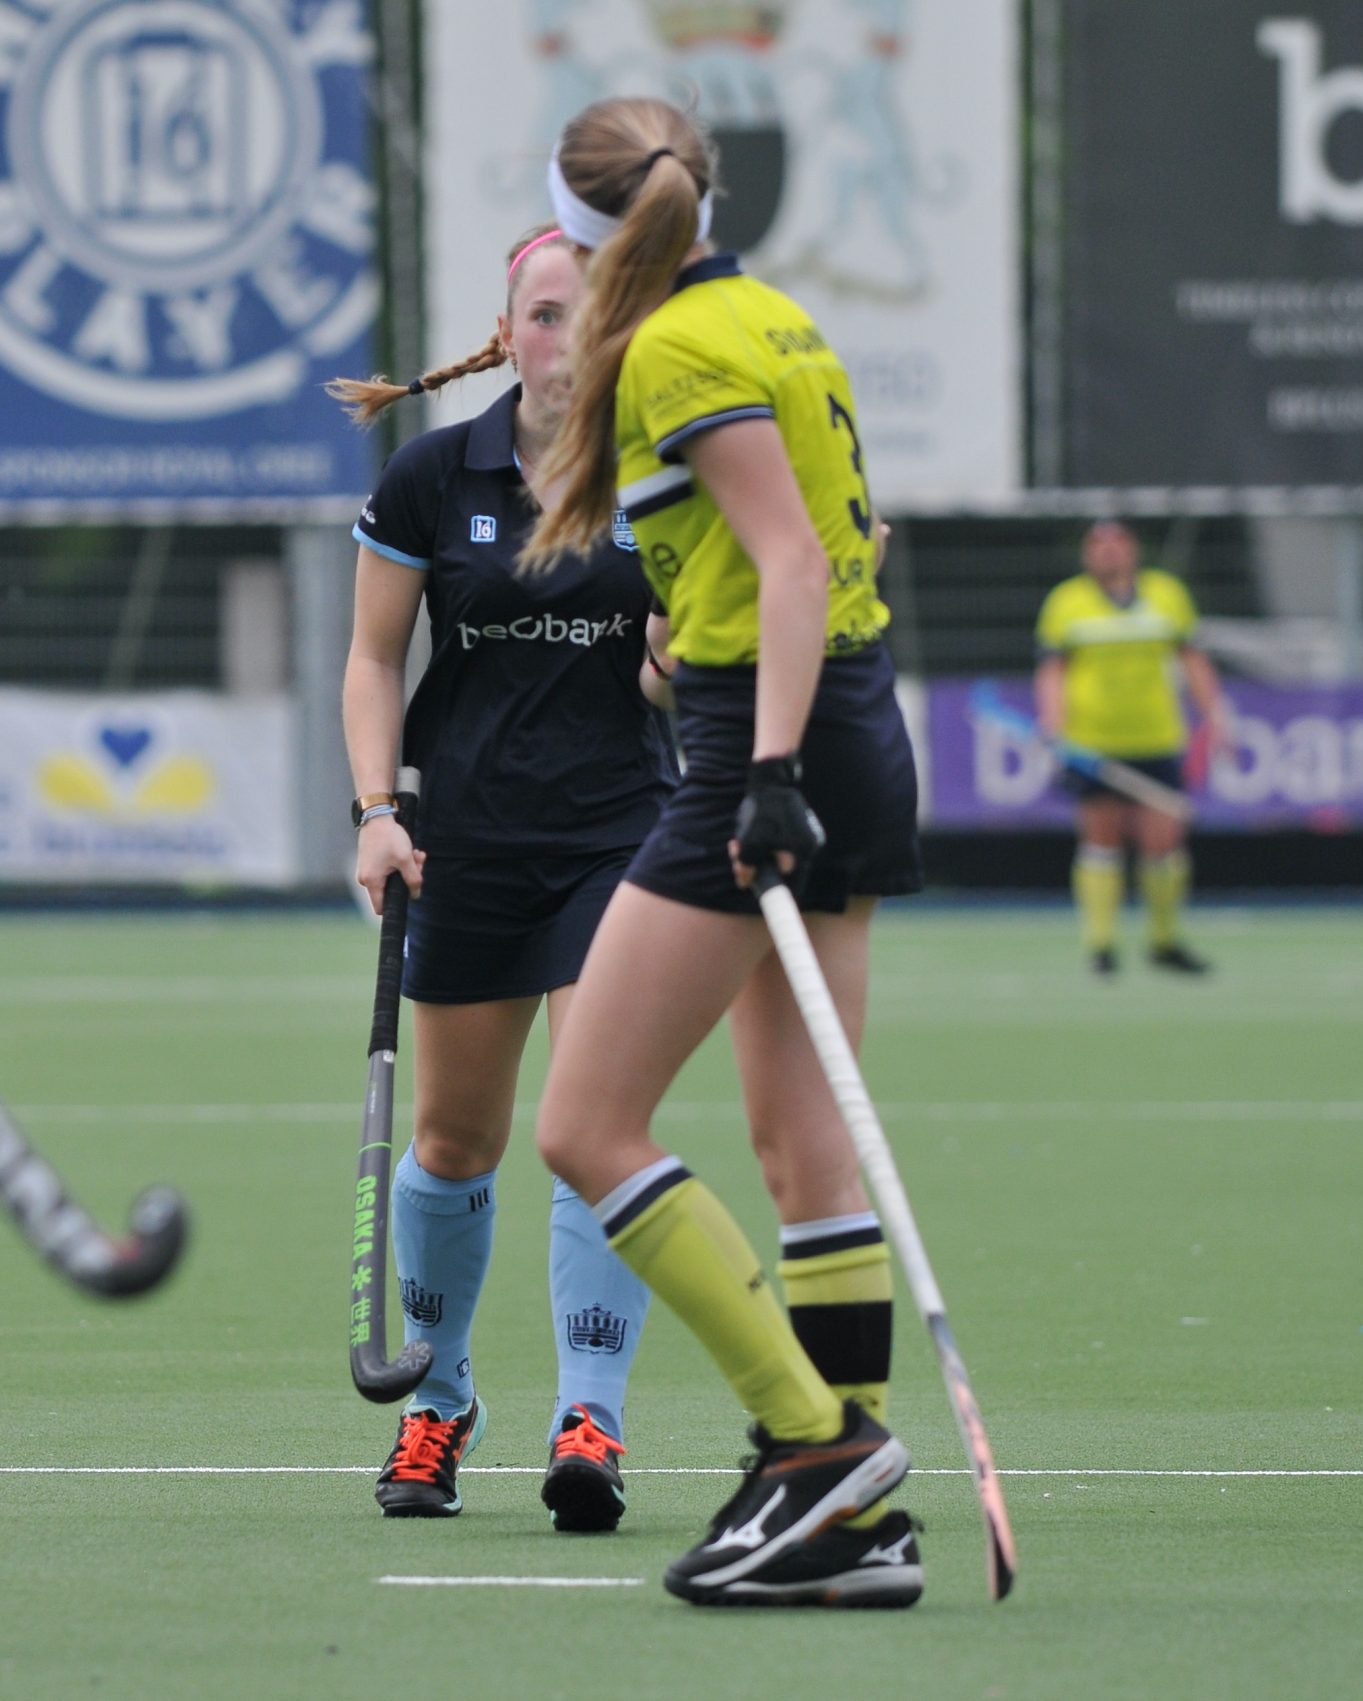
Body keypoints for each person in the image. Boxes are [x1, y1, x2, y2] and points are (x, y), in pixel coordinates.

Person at [519, 96, 925, 1608]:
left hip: (774, 748)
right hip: (840, 721)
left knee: (584, 1124)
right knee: (802, 1142)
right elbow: (815, 552)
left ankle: (814, 1446)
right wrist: (688, 658)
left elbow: (796, 559)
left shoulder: (676, 348)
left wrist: (761, 772)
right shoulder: (771, 316)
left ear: (579, 233)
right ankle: (854, 1529)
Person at [329, 225, 672, 1532]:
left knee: (593, 1129)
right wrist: (376, 813)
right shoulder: (434, 474)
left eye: (590, 317)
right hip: (462, 843)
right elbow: (373, 661)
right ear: (507, 331)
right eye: (543, 314)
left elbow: (674, 671)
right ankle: (439, 1400)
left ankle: (592, 1415)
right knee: (452, 1143)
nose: (565, 340)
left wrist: (681, 659)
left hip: (618, 843)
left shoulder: (663, 473)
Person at [1033, 520, 1226, 977]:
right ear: (1086, 554)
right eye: (1098, 545)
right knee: (1101, 840)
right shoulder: (1066, 602)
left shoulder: (1167, 594)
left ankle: (1164, 941)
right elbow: (1052, 670)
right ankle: (1101, 946)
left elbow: (1192, 659)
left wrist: (1215, 715)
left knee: (1165, 843)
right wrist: (1053, 724)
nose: (1108, 552)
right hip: (1093, 743)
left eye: (1117, 543)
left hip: (1157, 738)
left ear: (1134, 550)